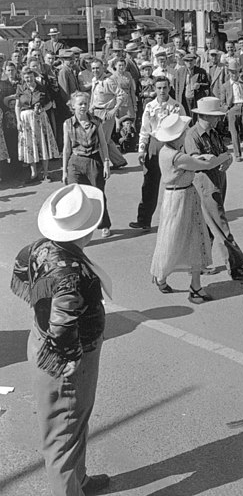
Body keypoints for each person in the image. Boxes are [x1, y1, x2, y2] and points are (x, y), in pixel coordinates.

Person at [11, 183, 111, 496]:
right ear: (87, 231)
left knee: (72, 426)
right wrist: (70, 364)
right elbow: (63, 328)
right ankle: (69, 488)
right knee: (63, 436)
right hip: (63, 360)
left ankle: (78, 481)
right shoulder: (72, 275)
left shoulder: (39, 246)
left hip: (41, 343)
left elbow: (19, 274)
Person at [149, 113, 229, 301]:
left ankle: (164, 277)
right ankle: (194, 287)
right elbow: (207, 164)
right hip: (182, 198)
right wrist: (224, 155)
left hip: (175, 197)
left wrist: (201, 156)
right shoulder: (177, 157)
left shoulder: (166, 152)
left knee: (171, 238)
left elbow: (194, 160)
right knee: (194, 238)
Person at [185, 97, 243, 281]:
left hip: (218, 179)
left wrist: (227, 159)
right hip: (205, 183)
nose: (218, 119)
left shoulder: (213, 133)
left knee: (208, 226)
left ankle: (198, 263)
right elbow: (199, 161)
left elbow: (225, 153)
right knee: (220, 224)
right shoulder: (193, 136)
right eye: (215, 116)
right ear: (204, 116)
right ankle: (235, 264)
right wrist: (220, 158)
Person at [130, 76, 182, 231]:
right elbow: (144, 129)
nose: (162, 91)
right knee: (149, 183)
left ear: (169, 87)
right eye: (159, 88)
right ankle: (144, 221)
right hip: (154, 144)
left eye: (165, 87)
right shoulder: (149, 107)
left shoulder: (176, 106)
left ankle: (175, 221)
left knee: (173, 183)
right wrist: (141, 149)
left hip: (170, 145)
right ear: (154, 89)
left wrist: (179, 149)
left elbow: (183, 128)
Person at [62, 92, 112, 238]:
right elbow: (66, 148)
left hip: (94, 161)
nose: (83, 106)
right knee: (75, 196)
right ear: (73, 106)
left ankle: (104, 224)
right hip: (75, 162)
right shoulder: (68, 124)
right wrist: (64, 171)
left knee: (98, 194)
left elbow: (103, 143)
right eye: (80, 104)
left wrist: (106, 163)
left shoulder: (96, 121)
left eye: (85, 103)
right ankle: (77, 228)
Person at [15, 67, 60, 183]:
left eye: (30, 76)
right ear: (23, 78)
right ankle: (34, 173)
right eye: (26, 77)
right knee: (30, 145)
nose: (28, 79)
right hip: (26, 120)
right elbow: (17, 106)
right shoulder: (20, 88)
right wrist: (18, 121)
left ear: (34, 76)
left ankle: (46, 172)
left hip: (40, 119)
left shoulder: (42, 87)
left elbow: (50, 103)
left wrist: (43, 109)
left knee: (43, 144)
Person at [88, 59, 128, 169]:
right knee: (105, 138)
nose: (95, 70)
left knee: (101, 140)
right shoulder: (94, 80)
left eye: (97, 68)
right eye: (93, 68)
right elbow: (94, 96)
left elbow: (122, 95)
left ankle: (101, 165)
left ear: (103, 68)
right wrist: (90, 107)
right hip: (96, 112)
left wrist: (114, 110)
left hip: (106, 113)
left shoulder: (108, 81)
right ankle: (119, 161)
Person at [224, 60, 243, 161]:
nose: (234, 74)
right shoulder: (226, 85)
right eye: (232, 72)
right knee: (234, 132)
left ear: (239, 72)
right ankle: (237, 155)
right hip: (233, 108)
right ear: (228, 72)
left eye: (236, 72)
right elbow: (222, 101)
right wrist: (227, 110)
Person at [175, 53, 209, 118]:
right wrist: (177, 101)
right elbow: (177, 88)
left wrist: (199, 85)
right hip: (184, 98)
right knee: (186, 116)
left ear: (194, 61)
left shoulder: (201, 71)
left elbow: (207, 85)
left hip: (196, 98)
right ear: (184, 62)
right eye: (187, 61)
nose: (189, 63)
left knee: (195, 117)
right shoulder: (180, 71)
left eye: (191, 60)